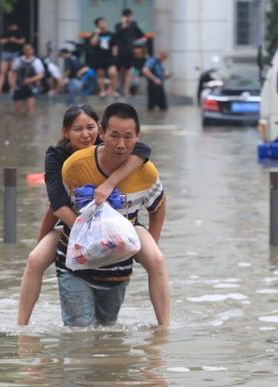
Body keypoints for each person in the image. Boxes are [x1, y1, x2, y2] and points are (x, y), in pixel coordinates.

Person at [17, 104, 170, 327]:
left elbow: (143, 150)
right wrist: (89, 231)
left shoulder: (119, 149)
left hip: (123, 223)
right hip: (74, 222)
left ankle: (164, 329)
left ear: (99, 131)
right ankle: (22, 326)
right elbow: (56, 206)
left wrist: (110, 182)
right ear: (66, 132)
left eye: (90, 128)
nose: (85, 134)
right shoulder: (61, 159)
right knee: (35, 259)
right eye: (78, 129)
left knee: (156, 259)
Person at [114, 9, 146, 96]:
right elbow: (116, 36)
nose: (128, 18)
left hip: (131, 52)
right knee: (120, 71)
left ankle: (126, 89)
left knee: (129, 71)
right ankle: (120, 87)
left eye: (129, 16)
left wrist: (137, 43)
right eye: (126, 16)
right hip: (121, 52)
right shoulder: (118, 26)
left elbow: (143, 36)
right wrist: (124, 26)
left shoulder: (134, 25)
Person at [8, 42, 45, 114]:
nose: (27, 51)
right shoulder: (18, 60)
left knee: (30, 110)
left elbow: (41, 74)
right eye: (26, 49)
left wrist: (30, 80)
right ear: (23, 50)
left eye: (29, 49)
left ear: (32, 50)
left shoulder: (36, 61)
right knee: (17, 111)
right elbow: (12, 72)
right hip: (19, 86)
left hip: (31, 87)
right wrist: (11, 82)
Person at [88, 17, 118, 98]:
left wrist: (115, 56)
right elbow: (92, 44)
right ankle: (102, 91)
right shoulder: (94, 34)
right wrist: (96, 34)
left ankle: (112, 90)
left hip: (109, 57)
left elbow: (115, 46)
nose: (104, 24)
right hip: (98, 57)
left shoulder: (111, 34)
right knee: (100, 75)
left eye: (104, 22)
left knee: (113, 73)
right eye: (101, 23)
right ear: (97, 25)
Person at [0, 23, 25, 94]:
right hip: (6, 52)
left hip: (15, 52)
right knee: (2, 71)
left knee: (12, 71)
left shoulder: (19, 32)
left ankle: (12, 88)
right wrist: (9, 39)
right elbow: (1, 41)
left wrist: (15, 40)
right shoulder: (5, 31)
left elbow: (22, 41)